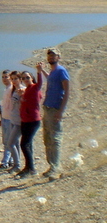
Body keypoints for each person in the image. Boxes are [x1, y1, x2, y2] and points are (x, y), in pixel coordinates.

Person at [41, 47, 70, 179]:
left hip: (55, 110)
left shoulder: (61, 70)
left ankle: (56, 168)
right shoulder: (53, 72)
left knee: (55, 138)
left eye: (54, 56)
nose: (51, 58)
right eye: (49, 56)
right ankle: (51, 165)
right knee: (47, 138)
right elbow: (50, 79)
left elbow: (67, 91)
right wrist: (41, 71)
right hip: (47, 109)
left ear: (59, 57)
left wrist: (61, 111)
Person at [17, 64, 45, 178]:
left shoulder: (34, 87)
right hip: (25, 120)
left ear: (32, 78)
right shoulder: (27, 89)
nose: (25, 79)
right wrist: (21, 97)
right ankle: (27, 167)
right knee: (28, 145)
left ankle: (32, 169)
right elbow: (27, 101)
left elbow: (40, 84)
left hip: (33, 120)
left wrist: (39, 71)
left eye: (27, 77)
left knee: (24, 144)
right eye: (23, 78)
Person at [3, 71, 24, 173]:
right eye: (12, 79)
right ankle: (17, 163)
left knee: (10, 143)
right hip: (12, 119)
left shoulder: (22, 90)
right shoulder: (13, 90)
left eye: (16, 78)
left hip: (19, 122)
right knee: (15, 143)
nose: (14, 81)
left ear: (20, 79)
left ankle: (17, 165)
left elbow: (26, 103)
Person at [0, 70, 15, 171]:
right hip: (5, 118)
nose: (4, 79)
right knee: (6, 141)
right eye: (3, 77)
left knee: (8, 141)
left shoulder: (13, 89)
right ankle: (11, 160)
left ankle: (5, 162)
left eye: (6, 77)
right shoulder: (6, 89)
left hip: (10, 119)